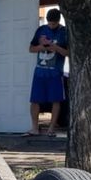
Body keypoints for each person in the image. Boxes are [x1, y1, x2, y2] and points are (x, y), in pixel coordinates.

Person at [26, 8, 69, 137]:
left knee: (55, 100)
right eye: (49, 23)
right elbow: (31, 49)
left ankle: (51, 128)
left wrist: (55, 47)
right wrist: (41, 46)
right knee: (35, 100)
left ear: (58, 21)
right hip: (40, 72)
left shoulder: (64, 32)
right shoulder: (41, 30)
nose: (51, 26)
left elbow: (68, 53)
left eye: (53, 24)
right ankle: (34, 127)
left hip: (55, 73)